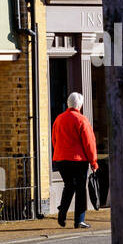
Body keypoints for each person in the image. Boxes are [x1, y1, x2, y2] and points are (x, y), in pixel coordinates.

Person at [51, 91, 99, 230]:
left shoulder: (59, 119)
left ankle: (62, 212)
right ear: (80, 105)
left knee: (69, 186)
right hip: (78, 160)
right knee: (80, 189)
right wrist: (93, 162)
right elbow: (89, 143)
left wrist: (59, 153)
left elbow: (54, 140)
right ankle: (79, 220)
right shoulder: (81, 119)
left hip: (61, 159)